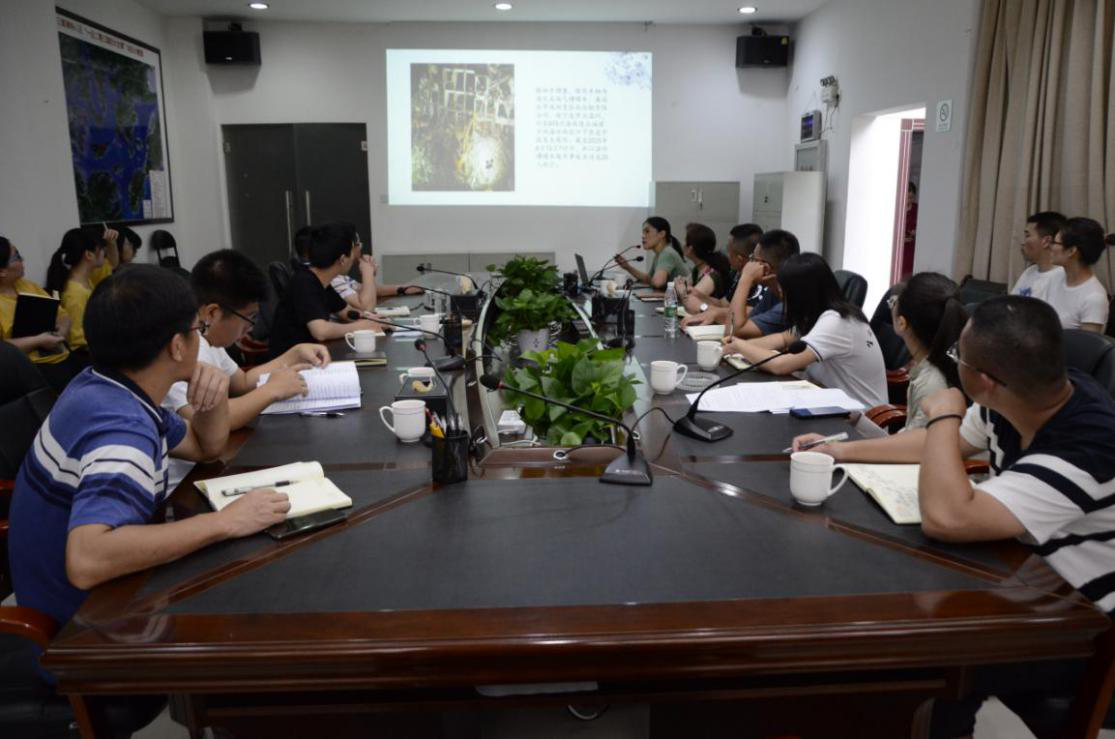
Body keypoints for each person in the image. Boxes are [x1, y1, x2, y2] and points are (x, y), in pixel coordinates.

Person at [791, 295, 1115, 737]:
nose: (954, 361)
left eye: (957, 356)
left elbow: (947, 518)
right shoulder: (1021, 394)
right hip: (1019, 574)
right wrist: (839, 451)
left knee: (915, 656)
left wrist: (944, 412)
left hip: (1082, 623)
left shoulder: (1090, 444)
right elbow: (941, 446)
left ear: (984, 380)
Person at [8, 264, 290, 635]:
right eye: (197, 330)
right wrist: (227, 521)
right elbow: (87, 560)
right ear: (177, 345)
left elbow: (205, 447)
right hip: (82, 628)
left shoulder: (103, 386)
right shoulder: (123, 429)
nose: (201, 340)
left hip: (81, 597)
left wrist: (213, 397)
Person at [163, 250, 331, 490]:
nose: (250, 328)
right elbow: (212, 420)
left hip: (206, 466)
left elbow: (241, 382)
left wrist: (294, 353)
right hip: (187, 481)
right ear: (212, 313)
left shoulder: (210, 342)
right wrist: (271, 390)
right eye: (249, 317)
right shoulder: (187, 351)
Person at [723, 252, 887, 408]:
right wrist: (732, 346)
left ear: (801, 293)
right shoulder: (816, 315)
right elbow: (781, 339)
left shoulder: (836, 322)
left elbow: (781, 365)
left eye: (784, 291)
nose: (781, 295)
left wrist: (739, 346)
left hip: (858, 416)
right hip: (830, 402)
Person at [268, 223, 387, 358]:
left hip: (313, 355)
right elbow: (321, 331)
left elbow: (347, 313)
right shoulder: (304, 282)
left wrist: (373, 319)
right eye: (351, 253)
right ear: (342, 259)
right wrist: (363, 326)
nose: (353, 258)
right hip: (291, 362)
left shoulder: (322, 280)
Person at [0, 236, 85, 391]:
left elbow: (62, 314)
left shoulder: (28, 286)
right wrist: (38, 341)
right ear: (2, 271)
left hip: (63, 355)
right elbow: (3, 350)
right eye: (17, 257)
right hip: (32, 369)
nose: (22, 260)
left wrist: (62, 330)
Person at [682, 228, 798, 339]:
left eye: (753, 259)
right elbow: (741, 322)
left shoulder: (790, 301)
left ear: (765, 268)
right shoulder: (773, 293)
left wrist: (745, 279)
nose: (749, 263)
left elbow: (732, 331)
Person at [887, 272, 967, 429]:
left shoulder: (930, 384)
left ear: (902, 323)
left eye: (894, 302)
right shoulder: (933, 366)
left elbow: (916, 442)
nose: (891, 306)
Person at [45, 227, 116, 354]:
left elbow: (112, 264)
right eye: (101, 249)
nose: (104, 252)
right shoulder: (75, 294)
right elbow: (78, 343)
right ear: (88, 255)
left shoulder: (86, 279)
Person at [1044, 216, 1113, 331]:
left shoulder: (1094, 298)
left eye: (1054, 242)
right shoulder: (1055, 276)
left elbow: (1087, 342)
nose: (1049, 247)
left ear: (1071, 251)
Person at [682, 223, 763, 315]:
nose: (726, 255)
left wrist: (702, 307)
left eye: (728, 250)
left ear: (739, 259)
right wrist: (698, 294)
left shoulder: (763, 284)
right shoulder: (737, 274)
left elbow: (736, 315)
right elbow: (723, 304)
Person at [614, 216, 688, 289]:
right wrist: (627, 267)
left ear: (662, 234)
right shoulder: (659, 254)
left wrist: (652, 281)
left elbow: (658, 282)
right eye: (643, 233)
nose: (643, 236)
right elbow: (649, 279)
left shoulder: (667, 253)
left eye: (647, 232)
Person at [1010, 211, 1067, 300]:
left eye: (1027, 235)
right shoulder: (1029, 272)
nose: (1023, 243)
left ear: (1046, 241)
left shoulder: (1063, 278)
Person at [674, 223, 733, 303]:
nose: (682, 244)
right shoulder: (698, 269)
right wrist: (679, 284)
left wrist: (680, 288)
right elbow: (684, 286)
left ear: (690, 248)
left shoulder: (712, 274)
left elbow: (690, 300)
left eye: (684, 240)